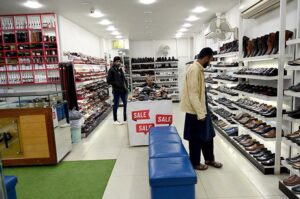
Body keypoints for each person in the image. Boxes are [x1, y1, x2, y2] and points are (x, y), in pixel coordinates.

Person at [180, 47, 223, 170]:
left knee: (208, 135)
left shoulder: (199, 69)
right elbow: (193, 94)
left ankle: (209, 159)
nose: (210, 62)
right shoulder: (194, 70)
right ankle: (195, 162)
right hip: (195, 111)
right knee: (195, 138)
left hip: (202, 108)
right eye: (210, 59)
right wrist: (200, 114)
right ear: (206, 58)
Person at [107, 56, 128, 125]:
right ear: (114, 61)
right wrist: (116, 84)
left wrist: (126, 86)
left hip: (123, 90)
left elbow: (123, 78)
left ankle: (125, 119)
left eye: (119, 61)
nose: (118, 62)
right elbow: (108, 81)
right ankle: (115, 120)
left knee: (126, 103)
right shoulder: (111, 70)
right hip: (116, 90)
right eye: (117, 61)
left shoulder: (119, 69)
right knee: (116, 104)